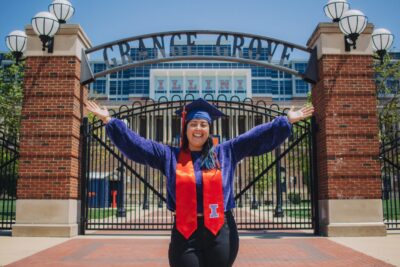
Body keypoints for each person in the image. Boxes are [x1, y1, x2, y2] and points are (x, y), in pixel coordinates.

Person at [86, 98, 314, 267]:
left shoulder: (225, 152)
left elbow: (254, 138)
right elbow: (138, 146)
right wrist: (109, 121)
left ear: (209, 129)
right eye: (193, 124)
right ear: (185, 128)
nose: (198, 129)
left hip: (220, 230)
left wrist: (285, 122)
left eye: (203, 125)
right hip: (185, 232)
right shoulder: (169, 155)